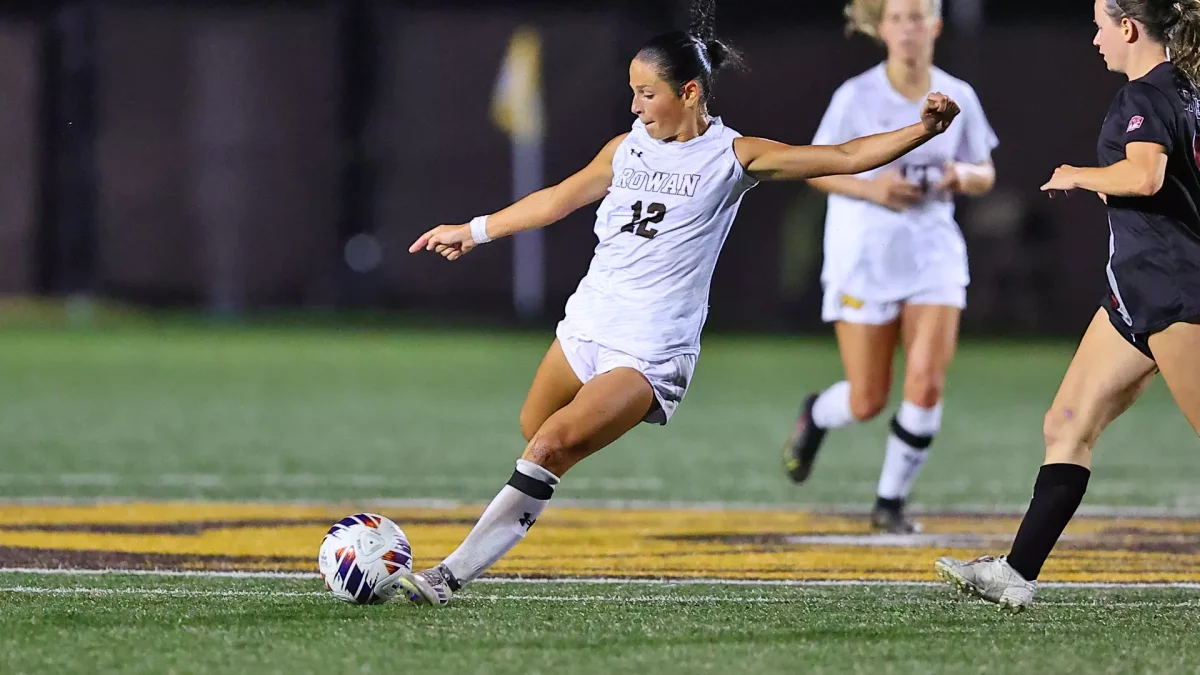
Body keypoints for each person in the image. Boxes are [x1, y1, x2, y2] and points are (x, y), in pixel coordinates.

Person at [398, 0, 962, 606]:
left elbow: (846, 158)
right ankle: (524, 504)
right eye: (633, 93)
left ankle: (445, 577)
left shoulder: (734, 157)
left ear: (689, 92)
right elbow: (556, 199)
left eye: (647, 93)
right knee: (534, 432)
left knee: (548, 448)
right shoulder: (626, 148)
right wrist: (473, 230)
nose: (636, 106)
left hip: (649, 347)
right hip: (587, 321)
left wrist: (922, 131)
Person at [936, 0, 1200, 612]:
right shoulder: (1183, 88)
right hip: (1135, 295)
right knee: (1066, 424)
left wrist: (1078, 174)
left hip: (1174, 292)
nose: (1094, 38)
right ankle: (1015, 574)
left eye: (1101, 25)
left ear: (1129, 28)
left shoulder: (1144, 97)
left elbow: (1146, 177)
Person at [781, 0, 998, 534]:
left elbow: (985, 172)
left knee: (925, 384)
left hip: (933, 255)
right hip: (864, 256)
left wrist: (959, 178)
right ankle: (816, 415)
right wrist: (874, 188)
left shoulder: (958, 94)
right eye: (898, 18)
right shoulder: (856, 96)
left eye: (918, 17)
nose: (908, 28)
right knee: (867, 398)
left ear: (936, 27)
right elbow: (818, 169)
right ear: (882, 28)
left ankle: (890, 503)